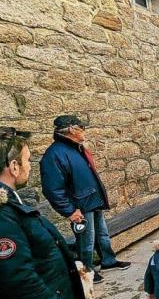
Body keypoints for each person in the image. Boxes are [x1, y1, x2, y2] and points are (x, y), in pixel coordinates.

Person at [0, 127, 90, 299]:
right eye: (27, 160)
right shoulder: (4, 215)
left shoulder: (12, 205)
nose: (30, 166)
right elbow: (18, 278)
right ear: (13, 167)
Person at [40, 115, 130, 284]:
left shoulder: (75, 148)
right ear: (72, 130)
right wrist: (70, 211)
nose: (84, 131)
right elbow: (52, 189)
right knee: (86, 241)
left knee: (102, 234)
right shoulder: (54, 154)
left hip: (92, 200)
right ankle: (86, 270)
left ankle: (108, 261)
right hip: (80, 206)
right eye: (81, 127)